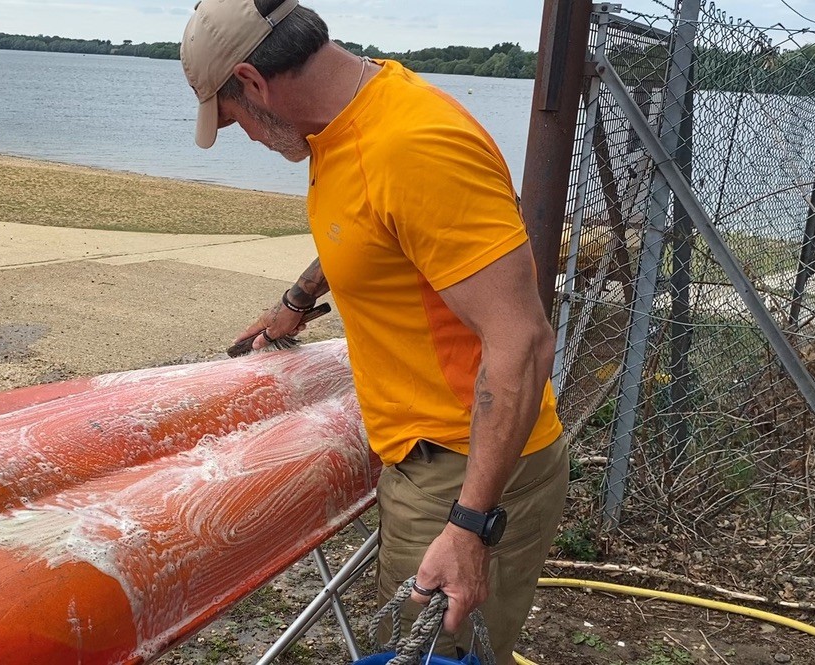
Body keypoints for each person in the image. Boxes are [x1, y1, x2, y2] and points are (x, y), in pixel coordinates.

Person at [179, 1, 569, 661]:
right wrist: (298, 299)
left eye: (232, 117)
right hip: (427, 456)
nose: (242, 135)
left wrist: (471, 525)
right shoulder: (342, 124)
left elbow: (523, 341)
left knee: (429, 657)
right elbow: (371, 226)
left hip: (462, 463)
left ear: (251, 81)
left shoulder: (413, 143)